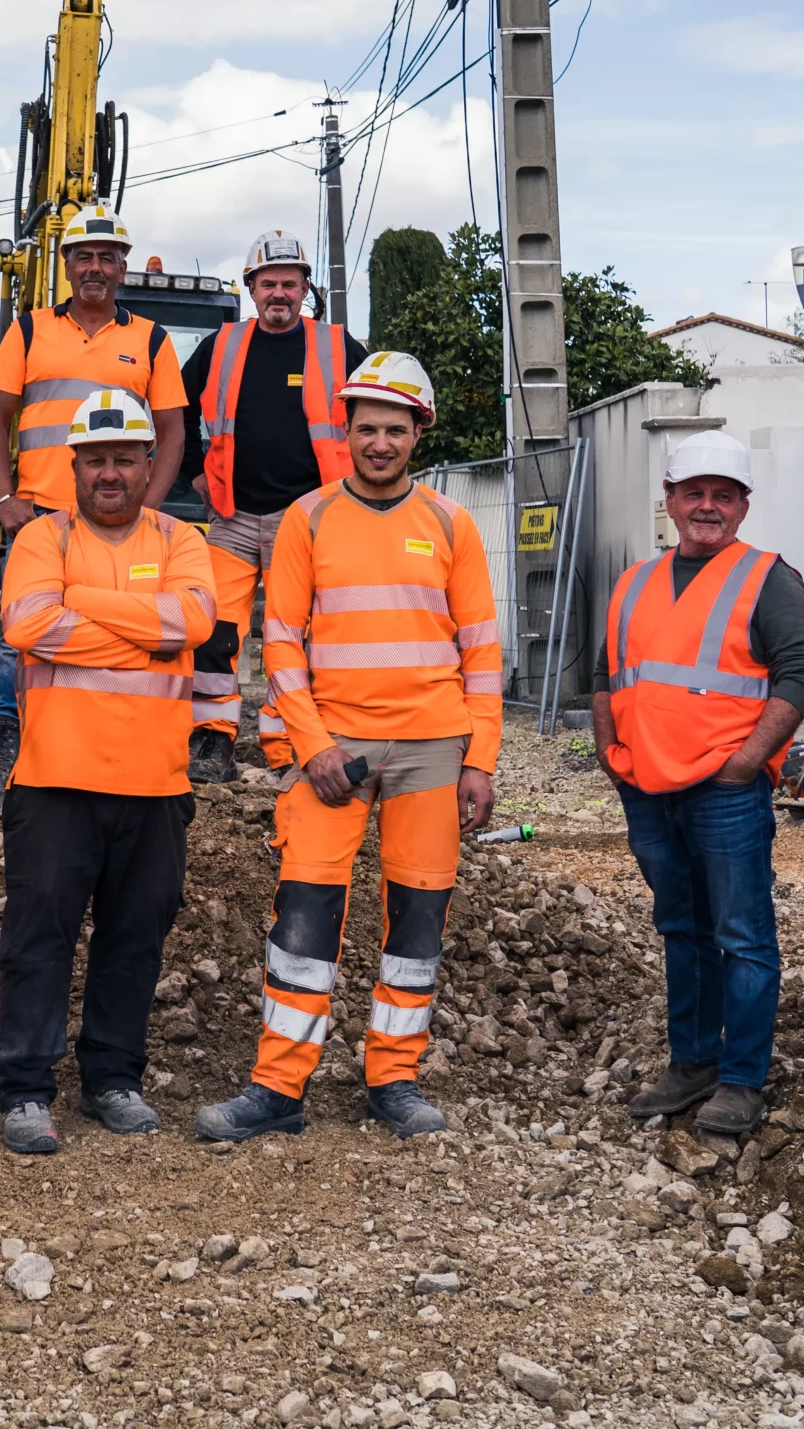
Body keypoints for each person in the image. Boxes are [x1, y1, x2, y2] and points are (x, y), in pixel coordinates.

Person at [196, 353, 501, 1143]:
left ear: (417, 433)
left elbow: (481, 651)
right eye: (365, 427)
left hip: (432, 745)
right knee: (303, 910)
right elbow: (282, 641)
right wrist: (312, 742)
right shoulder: (308, 519)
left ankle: (393, 1079)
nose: (378, 441)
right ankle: (278, 1086)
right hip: (330, 750)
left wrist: (480, 760)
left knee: (418, 917)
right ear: (347, 432)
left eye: (393, 428)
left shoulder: (450, 525)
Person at [0, 389, 217, 1153]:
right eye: (98, 459)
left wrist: (81, 607)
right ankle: (25, 1089)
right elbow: (26, 623)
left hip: (155, 786)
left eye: (126, 457)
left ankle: (112, 1080)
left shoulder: (183, 538)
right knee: (38, 938)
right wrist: (141, 624)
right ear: (75, 465)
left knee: (133, 940)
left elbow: (193, 623)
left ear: (150, 463)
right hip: (56, 780)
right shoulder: (40, 540)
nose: (111, 473)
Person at [589, 432, 804, 1136]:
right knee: (680, 928)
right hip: (648, 787)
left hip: (724, 789)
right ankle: (692, 1063)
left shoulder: (767, 577)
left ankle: (742, 1079)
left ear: (744, 505)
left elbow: (800, 676)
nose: (708, 506)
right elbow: (605, 674)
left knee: (742, 935)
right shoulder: (635, 579)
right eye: (694, 492)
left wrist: (747, 761)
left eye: (724, 494)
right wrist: (609, 748)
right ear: (670, 499)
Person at [0, 205, 189, 814]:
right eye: (83, 256)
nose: (95, 267)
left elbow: (171, 431)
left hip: (120, 522)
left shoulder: (152, 340)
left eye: (107, 257)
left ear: (122, 266)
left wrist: (153, 510)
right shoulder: (29, 331)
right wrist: (5, 497)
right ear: (65, 265)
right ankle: (8, 754)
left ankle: (114, 754)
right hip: (41, 519)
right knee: (21, 641)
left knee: (123, 629)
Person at [178, 231, 366, 782]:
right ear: (251, 289)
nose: (279, 293)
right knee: (215, 632)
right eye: (268, 284)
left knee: (294, 635)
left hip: (306, 520)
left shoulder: (337, 346)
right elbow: (177, 408)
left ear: (305, 287)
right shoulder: (221, 346)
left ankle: (287, 747)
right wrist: (195, 471)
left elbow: (371, 412)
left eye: (289, 283)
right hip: (232, 517)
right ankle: (212, 743)